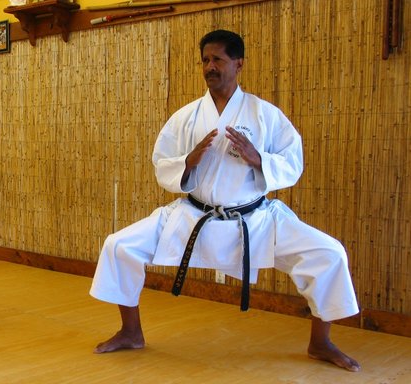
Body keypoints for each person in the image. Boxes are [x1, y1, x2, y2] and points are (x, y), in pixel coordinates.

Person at [89, 30, 360, 371]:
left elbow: (293, 160)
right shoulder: (186, 116)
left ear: (239, 63)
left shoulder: (265, 114)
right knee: (119, 245)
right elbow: (162, 161)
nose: (210, 67)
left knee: (328, 253)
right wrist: (188, 161)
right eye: (205, 60)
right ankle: (131, 332)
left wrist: (257, 157)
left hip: (255, 219)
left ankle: (321, 342)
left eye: (218, 59)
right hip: (193, 216)